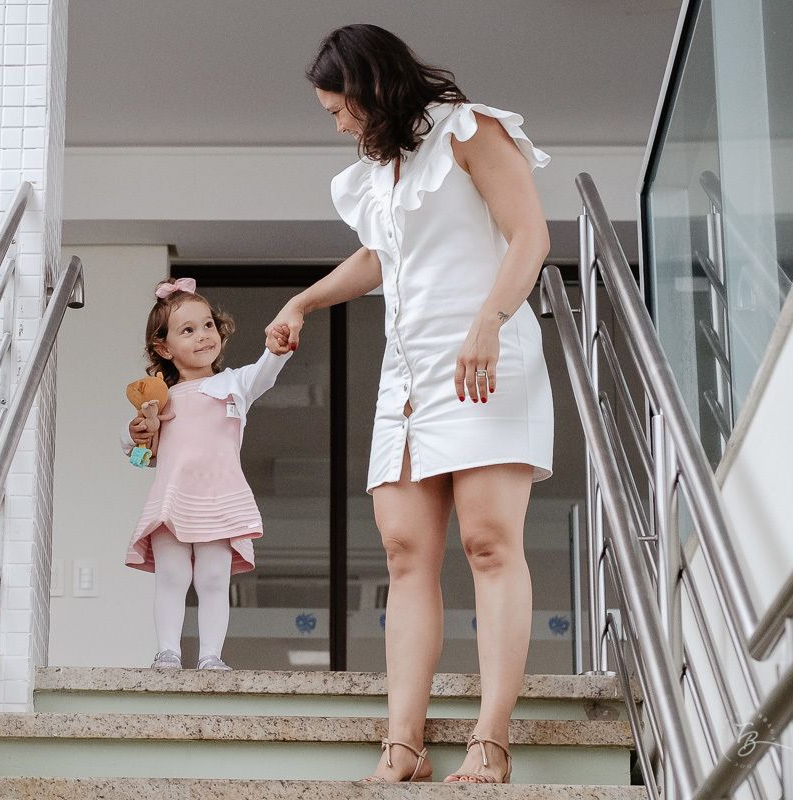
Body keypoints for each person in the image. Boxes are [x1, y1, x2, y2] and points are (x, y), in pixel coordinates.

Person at [265, 24, 554, 784]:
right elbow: (378, 257)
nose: (336, 125)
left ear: (370, 87)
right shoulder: (378, 173)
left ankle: (491, 743)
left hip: (486, 358)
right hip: (410, 376)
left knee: (489, 544)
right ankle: (404, 744)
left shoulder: (472, 130)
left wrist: (489, 319)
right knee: (402, 554)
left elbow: (529, 235)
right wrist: (303, 301)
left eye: (338, 109)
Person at [122, 277, 293, 671]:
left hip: (219, 497)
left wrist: (276, 353)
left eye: (208, 325)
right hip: (173, 498)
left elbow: (263, 374)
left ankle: (211, 657)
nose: (203, 336)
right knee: (171, 575)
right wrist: (132, 433)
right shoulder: (159, 398)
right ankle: (167, 651)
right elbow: (136, 449)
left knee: (215, 579)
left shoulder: (232, 384)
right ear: (163, 348)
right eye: (187, 330)